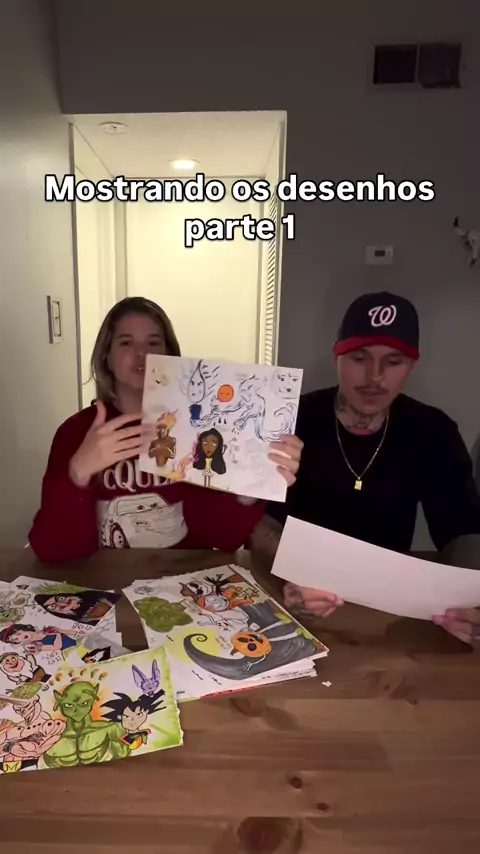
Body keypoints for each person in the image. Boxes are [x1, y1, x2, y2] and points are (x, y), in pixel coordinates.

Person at [249, 291, 480, 647]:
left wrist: (470, 598)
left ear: (411, 366)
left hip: (389, 611)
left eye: (393, 361)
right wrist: (290, 579)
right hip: (295, 600)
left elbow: (462, 527)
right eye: (359, 358)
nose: (374, 376)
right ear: (337, 357)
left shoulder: (432, 430)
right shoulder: (292, 419)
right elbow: (261, 520)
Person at [28, 297, 302, 563]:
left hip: (179, 580)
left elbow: (220, 537)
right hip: (104, 581)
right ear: (106, 357)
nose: (142, 353)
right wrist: (78, 472)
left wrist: (249, 490)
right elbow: (53, 550)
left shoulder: (196, 429)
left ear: (169, 355)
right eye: (126, 342)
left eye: (153, 342)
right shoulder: (75, 432)